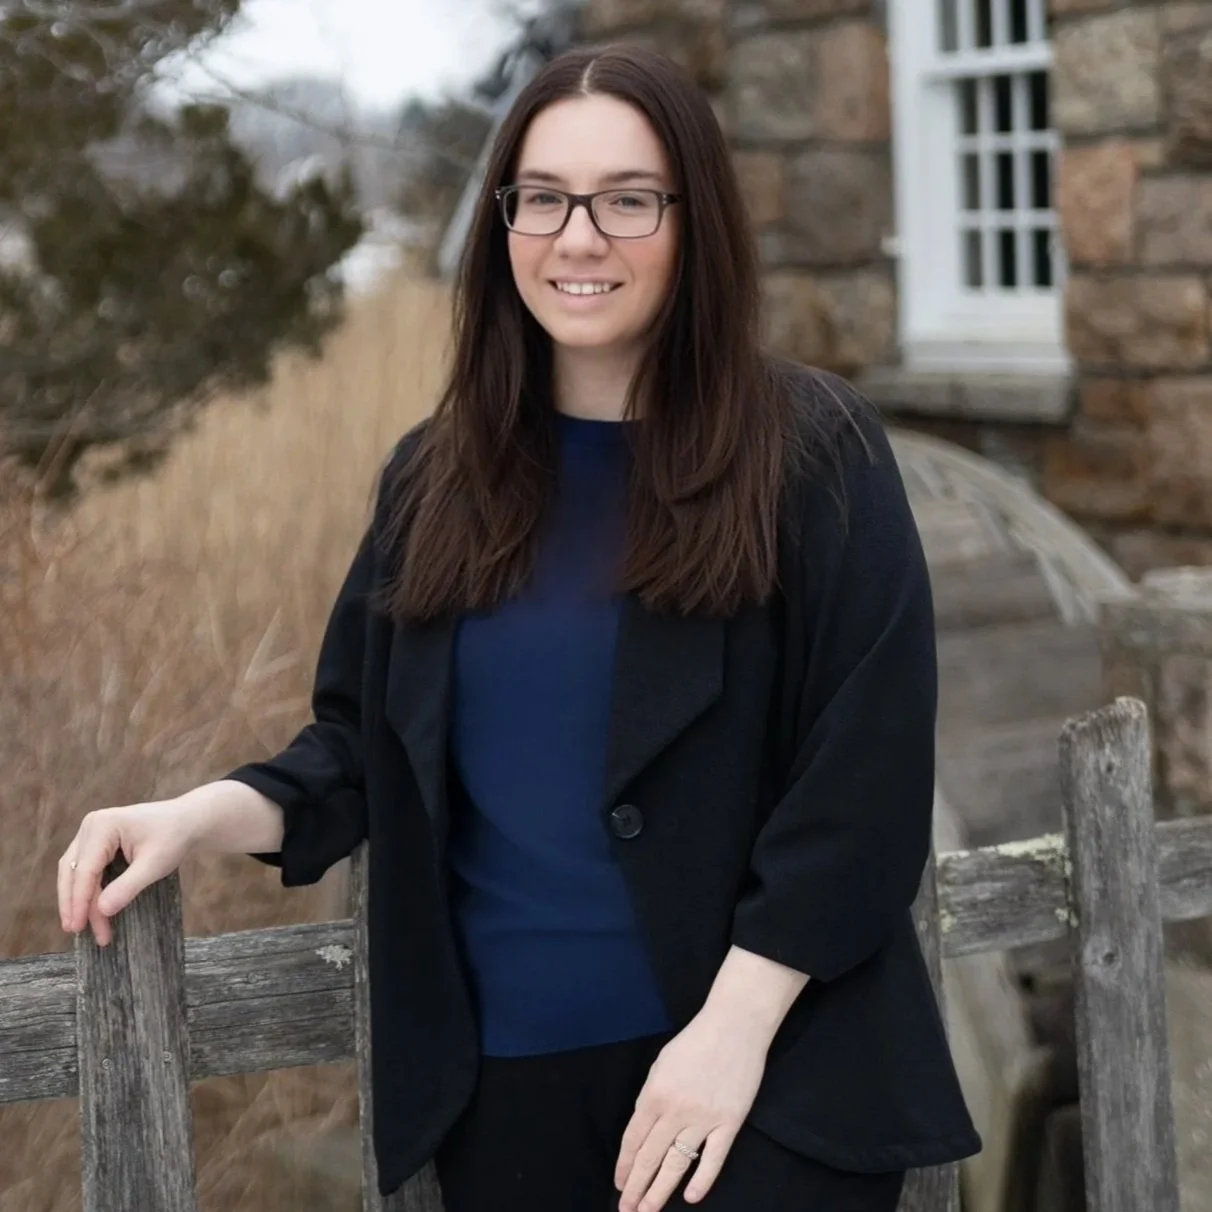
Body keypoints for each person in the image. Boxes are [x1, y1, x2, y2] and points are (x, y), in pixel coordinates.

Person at [57, 42, 981, 1212]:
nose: (578, 237)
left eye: (627, 199)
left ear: (697, 224)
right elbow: (357, 745)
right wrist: (194, 816)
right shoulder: (434, 479)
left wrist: (729, 1037)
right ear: (502, 224)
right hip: (505, 1109)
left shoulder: (813, 455)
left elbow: (867, 779)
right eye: (542, 198)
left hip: (758, 1095)